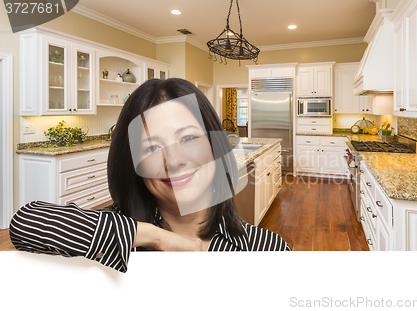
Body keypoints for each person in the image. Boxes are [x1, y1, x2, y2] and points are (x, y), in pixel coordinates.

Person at [9, 78, 290, 273]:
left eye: (189, 137)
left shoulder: (266, 250)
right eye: (152, 147)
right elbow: (27, 223)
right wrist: (155, 238)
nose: (175, 160)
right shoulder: (116, 235)